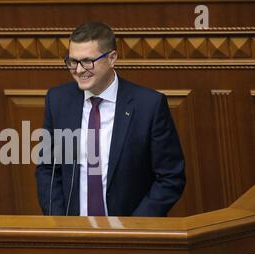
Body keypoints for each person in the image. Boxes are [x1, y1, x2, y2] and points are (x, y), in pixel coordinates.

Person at [35, 21, 186, 217]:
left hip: (133, 235)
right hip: (73, 234)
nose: (79, 70)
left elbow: (170, 177)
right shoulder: (58, 101)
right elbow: (47, 168)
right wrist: (61, 225)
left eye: (87, 61)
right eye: (72, 61)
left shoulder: (149, 106)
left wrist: (135, 228)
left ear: (112, 58)